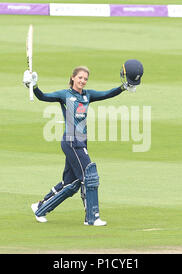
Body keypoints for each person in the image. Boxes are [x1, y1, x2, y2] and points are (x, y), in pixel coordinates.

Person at [23, 60, 143, 226]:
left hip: (81, 142)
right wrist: (33, 85)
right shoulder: (65, 95)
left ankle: (40, 207)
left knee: (70, 183)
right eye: (80, 77)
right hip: (71, 141)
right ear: (73, 78)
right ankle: (92, 217)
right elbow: (43, 97)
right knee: (89, 177)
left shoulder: (88, 95)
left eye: (85, 78)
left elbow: (107, 94)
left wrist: (124, 87)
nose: (82, 81)